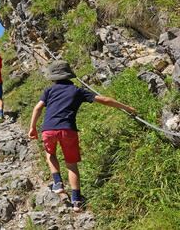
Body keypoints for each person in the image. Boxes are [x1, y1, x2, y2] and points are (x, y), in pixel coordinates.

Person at [28, 60, 137, 212]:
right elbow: (103, 100)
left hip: (49, 130)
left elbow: (38, 108)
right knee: (71, 164)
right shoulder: (77, 91)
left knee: (50, 154)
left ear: (53, 77)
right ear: (69, 75)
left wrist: (32, 127)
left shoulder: (49, 91)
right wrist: (127, 108)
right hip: (68, 130)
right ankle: (77, 201)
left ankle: (58, 182)